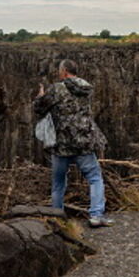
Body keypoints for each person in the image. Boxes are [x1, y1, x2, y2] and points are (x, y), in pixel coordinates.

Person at [34, 59, 113, 228]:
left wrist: (40, 96)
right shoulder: (86, 87)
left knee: (58, 182)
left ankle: (57, 217)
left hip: (61, 144)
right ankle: (96, 215)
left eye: (59, 70)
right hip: (83, 142)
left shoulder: (57, 89)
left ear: (64, 71)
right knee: (95, 178)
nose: (58, 73)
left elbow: (39, 109)